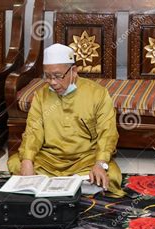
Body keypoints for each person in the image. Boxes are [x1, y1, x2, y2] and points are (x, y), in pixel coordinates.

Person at [8, 43, 125, 197]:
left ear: (74, 71)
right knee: (16, 163)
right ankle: (76, 187)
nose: (53, 82)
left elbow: (108, 133)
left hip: (85, 158)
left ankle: (53, 186)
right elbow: (33, 131)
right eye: (47, 76)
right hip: (49, 159)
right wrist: (28, 161)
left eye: (58, 76)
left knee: (113, 176)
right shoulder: (41, 96)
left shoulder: (98, 94)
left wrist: (99, 163)